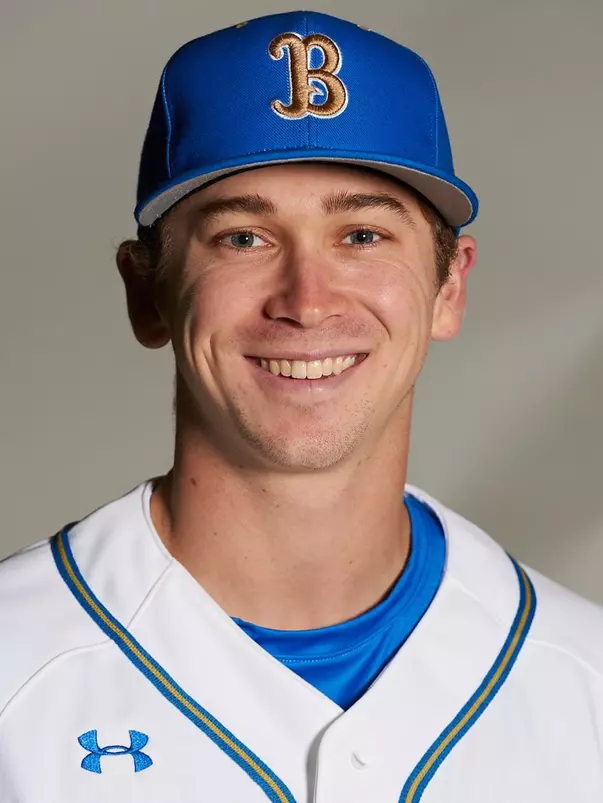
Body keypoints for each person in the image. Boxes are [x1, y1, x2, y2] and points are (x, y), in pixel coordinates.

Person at [1, 10, 602, 803]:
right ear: (146, 290)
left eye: (362, 235)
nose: (307, 301)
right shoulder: (15, 663)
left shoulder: (585, 679)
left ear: (448, 286)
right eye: (243, 238)